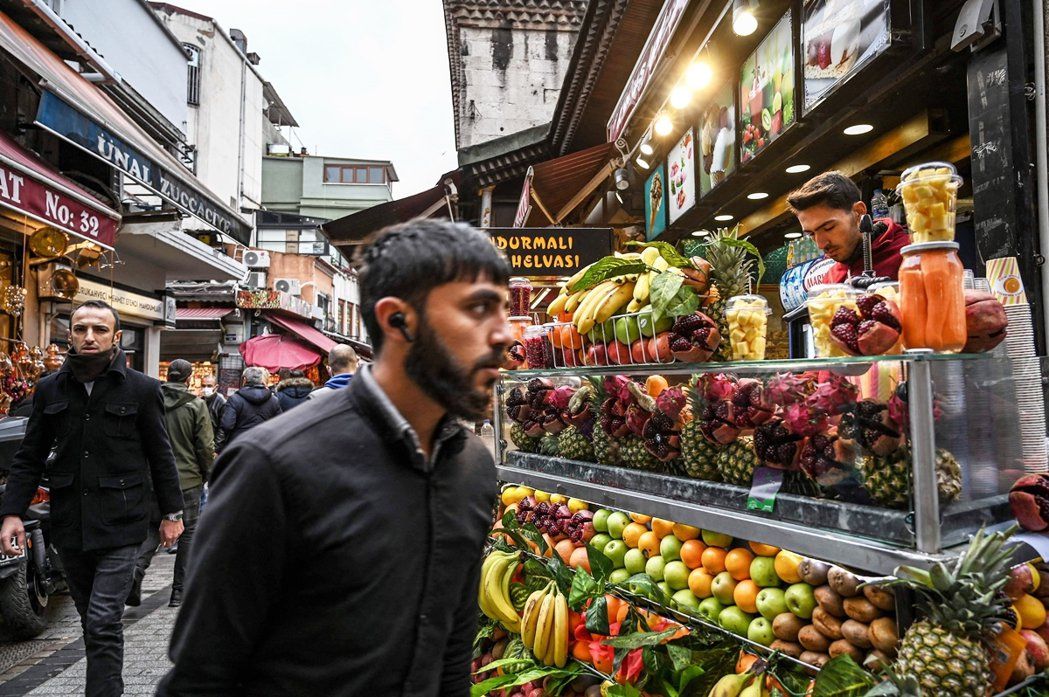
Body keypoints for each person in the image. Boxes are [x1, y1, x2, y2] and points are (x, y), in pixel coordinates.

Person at [157, 219, 512, 696]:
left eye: (504, 310)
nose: (504, 335)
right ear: (397, 319)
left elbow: (450, 650)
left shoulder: (472, 467)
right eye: (479, 309)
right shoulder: (273, 466)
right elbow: (202, 677)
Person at [0, 300, 183, 697]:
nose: (89, 336)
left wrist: (172, 512)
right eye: (81, 328)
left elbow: (161, 454)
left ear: (115, 337)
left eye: (99, 329)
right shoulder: (49, 389)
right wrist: (12, 513)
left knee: (102, 620)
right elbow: (29, 456)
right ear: (70, 334)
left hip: (122, 521)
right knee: (90, 621)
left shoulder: (143, 389)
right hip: (69, 523)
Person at [128, 359, 213, 609]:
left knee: (152, 529)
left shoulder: (150, 402)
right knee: (187, 534)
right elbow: (205, 447)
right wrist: (208, 473)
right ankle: (179, 592)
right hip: (186, 480)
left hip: (152, 478)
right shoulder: (196, 406)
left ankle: (135, 572)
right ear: (188, 378)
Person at [786, 171, 909, 283]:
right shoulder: (831, 279)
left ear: (859, 212)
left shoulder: (910, 257)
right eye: (811, 234)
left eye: (829, 227)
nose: (821, 244)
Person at [214, 366, 281, 452]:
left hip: (239, 444)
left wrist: (218, 448)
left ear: (245, 380)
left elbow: (227, 425)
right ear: (261, 380)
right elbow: (278, 424)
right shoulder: (273, 400)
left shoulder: (235, 399)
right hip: (265, 445)